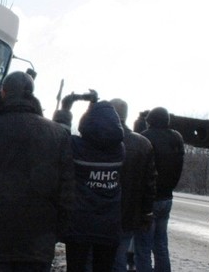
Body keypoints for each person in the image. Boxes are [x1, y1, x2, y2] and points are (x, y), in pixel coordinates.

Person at [0, 71, 75, 272]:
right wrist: (53, 236)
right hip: (36, 248)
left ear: (3, 93)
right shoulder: (58, 136)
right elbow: (67, 194)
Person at [62, 100, 125, 272]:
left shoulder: (75, 146)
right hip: (109, 225)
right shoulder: (120, 151)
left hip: (79, 224)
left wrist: (66, 110)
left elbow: (60, 136)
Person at [109, 98, 156, 272]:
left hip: (102, 212)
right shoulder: (142, 144)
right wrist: (146, 213)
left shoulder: (100, 139)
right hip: (129, 215)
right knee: (119, 259)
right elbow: (149, 185)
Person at [135, 107, 184, 272]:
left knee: (143, 245)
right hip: (167, 197)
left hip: (148, 201)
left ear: (150, 121)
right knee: (161, 243)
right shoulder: (176, 137)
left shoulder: (145, 138)